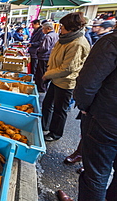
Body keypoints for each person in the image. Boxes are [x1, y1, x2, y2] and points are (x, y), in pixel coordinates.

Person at [57, 30, 117, 201]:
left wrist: (83, 107)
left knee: (96, 175)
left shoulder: (111, 42)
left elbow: (87, 82)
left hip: (106, 120)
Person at [42, 12, 90, 141]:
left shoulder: (77, 43)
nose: (60, 28)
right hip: (55, 78)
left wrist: (47, 74)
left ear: (72, 28)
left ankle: (55, 133)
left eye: (63, 26)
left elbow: (68, 68)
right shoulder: (64, 38)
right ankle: (43, 126)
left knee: (59, 109)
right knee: (47, 104)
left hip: (66, 82)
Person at [35, 22, 58, 93]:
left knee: (41, 73)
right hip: (50, 57)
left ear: (48, 28)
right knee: (45, 72)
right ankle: (43, 87)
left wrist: (37, 50)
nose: (42, 30)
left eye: (43, 29)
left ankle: (41, 88)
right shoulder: (56, 35)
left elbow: (44, 48)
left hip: (44, 57)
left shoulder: (48, 36)